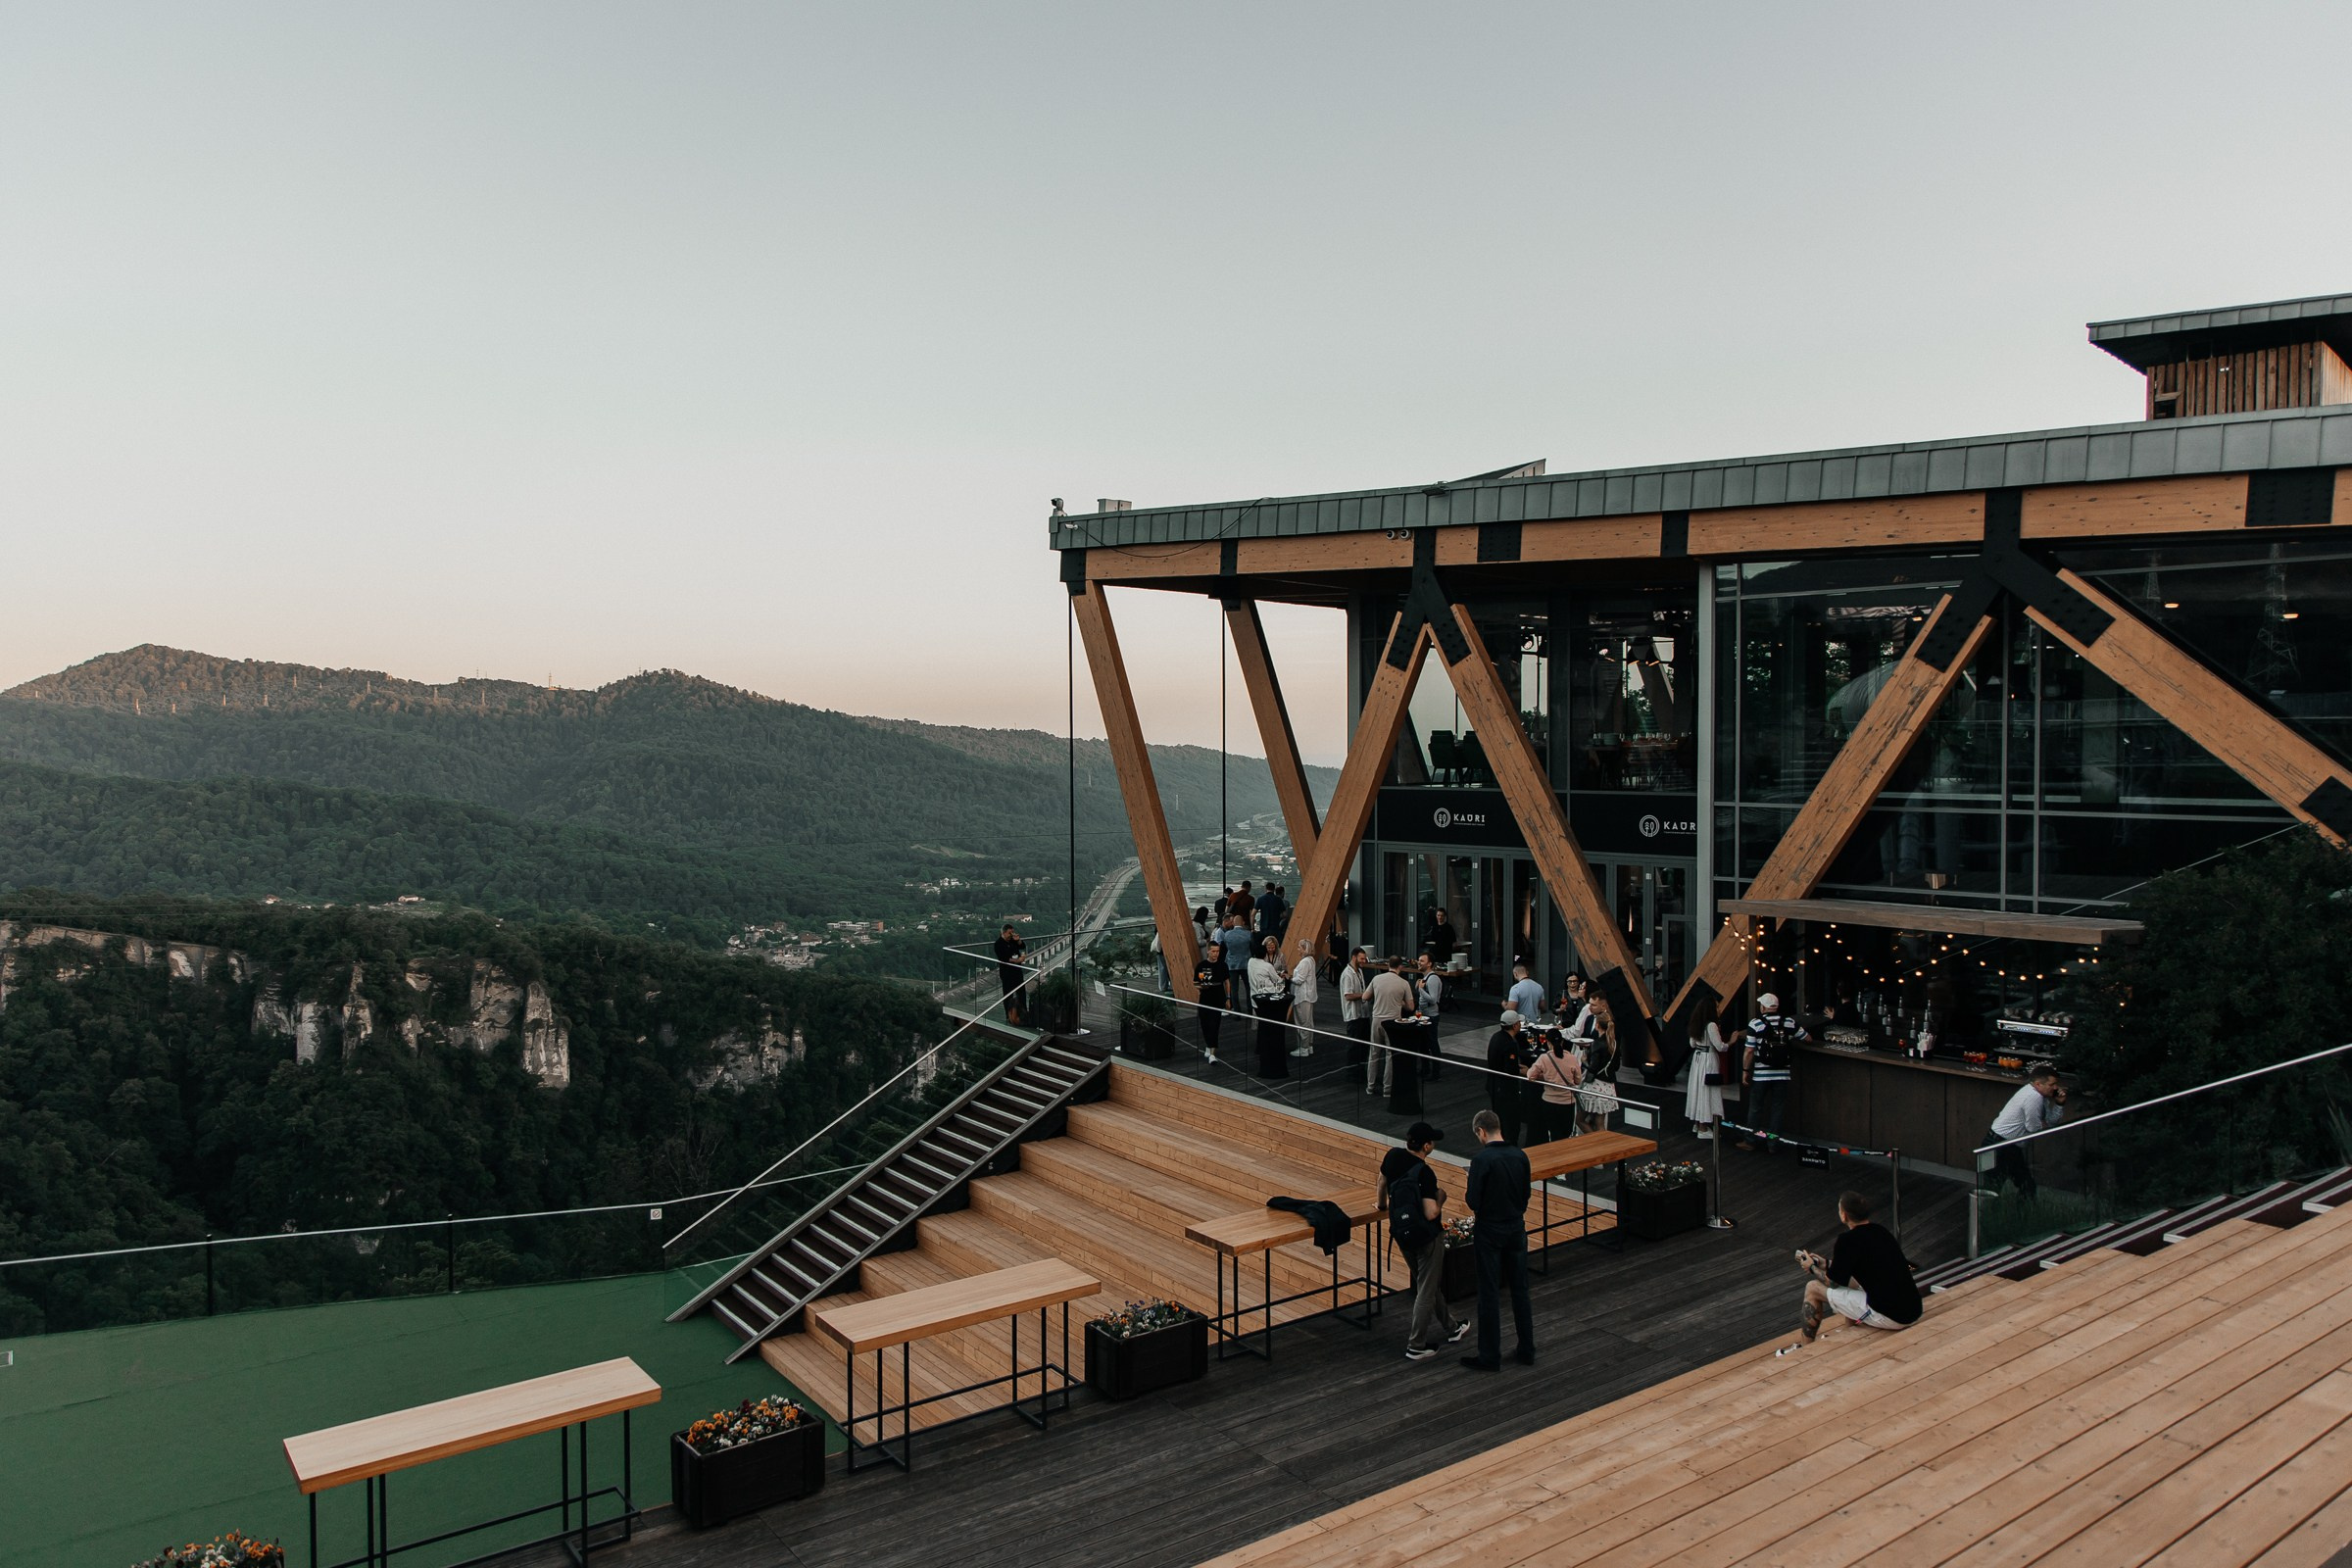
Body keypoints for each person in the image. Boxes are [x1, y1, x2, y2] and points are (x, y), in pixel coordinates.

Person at [1778, 1190, 1921, 1355]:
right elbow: (1854, 1268)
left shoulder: (1846, 1241)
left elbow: (1832, 1282)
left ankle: (1804, 1350)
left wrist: (1812, 1268)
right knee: (1853, 1281)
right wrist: (1825, 1264)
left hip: (1892, 1317)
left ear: (1844, 1216)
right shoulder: (1881, 1231)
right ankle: (1849, 1332)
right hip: (1913, 1310)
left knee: (1813, 1288)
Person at [1382, 1121, 1468, 1361]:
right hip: (1427, 1237)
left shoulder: (1393, 1156)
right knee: (1426, 1290)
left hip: (1401, 1233)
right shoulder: (1424, 1172)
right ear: (1426, 1146)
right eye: (1433, 1142)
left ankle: (1452, 1328)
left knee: (1427, 1284)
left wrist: (1381, 1206)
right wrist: (1441, 1197)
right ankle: (1416, 1344)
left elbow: (1381, 1182)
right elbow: (1431, 1212)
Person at [1460, 1109, 1535, 1371]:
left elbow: (1473, 1201)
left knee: (1489, 1293)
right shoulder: (1520, 1156)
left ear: (1481, 1132)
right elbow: (1525, 1194)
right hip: (1516, 1227)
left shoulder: (1482, 1161)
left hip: (1490, 1231)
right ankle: (1527, 1349)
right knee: (1520, 1291)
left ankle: (1490, 1356)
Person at [1740, 992, 1809, 1152]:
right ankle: (1772, 1143)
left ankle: (1750, 1140)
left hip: (1761, 1074)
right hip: (1782, 1074)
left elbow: (1749, 1050)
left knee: (1756, 1107)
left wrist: (1745, 1070)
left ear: (1763, 1007)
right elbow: (1807, 1038)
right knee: (1777, 1109)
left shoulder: (1755, 1024)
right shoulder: (1789, 1022)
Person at [1985, 1063, 2067, 1199]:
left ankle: (2018, 1215)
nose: (2056, 1088)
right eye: (2052, 1084)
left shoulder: (2041, 1096)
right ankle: (1987, 1216)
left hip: (2009, 1145)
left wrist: (2059, 1104)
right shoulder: (2033, 1097)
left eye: (2056, 1084)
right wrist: (2044, 1125)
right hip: (1999, 1145)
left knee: (2025, 1186)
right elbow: (2033, 1128)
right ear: (2038, 1084)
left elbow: (2051, 1122)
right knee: (1993, 1189)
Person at [1367, 956, 1416, 1096]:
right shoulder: (1404, 983)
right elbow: (1411, 1007)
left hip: (1377, 1019)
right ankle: (1387, 1089)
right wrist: (1400, 1003)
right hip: (1393, 1022)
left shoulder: (1376, 979)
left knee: (1374, 1054)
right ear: (1400, 967)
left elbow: (1365, 997)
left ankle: (1370, 1086)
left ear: (1388, 965)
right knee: (1390, 1055)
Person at [1525, 1027, 1582, 1144]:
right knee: (1565, 1135)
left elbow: (1530, 1075)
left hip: (1549, 1102)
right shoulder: (1572, 1058)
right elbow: (1577, 1080)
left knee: (1553, 1135)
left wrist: (1545, 1076)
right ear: (1562, 1042)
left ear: (1548, 1042)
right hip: (1567, 1103)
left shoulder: (1544, 1058)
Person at [1486, 1011, 1534, 1147]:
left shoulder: (1496, 1037)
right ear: (1515, 1025)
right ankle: (1509, 1145)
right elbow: (1510, 1070)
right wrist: (1524, 1071)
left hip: (1494, 1084)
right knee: (1510, 1121)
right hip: (1505, 1089)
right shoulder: (1509, 1043)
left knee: (1499, 1118)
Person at [1683, 1009, 1731, 1140]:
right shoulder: (1711, 1025)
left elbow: (1692, 1044)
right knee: (1708, 1090)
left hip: (1697, 1059)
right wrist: (1731, 1041)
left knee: (1698, 1090)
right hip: (1709, 1060)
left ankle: (1698, 1123)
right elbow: (1720, 1046)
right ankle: (1703, 1127)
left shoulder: (1696, 1024)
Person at [1576, 1000, 1620, 1136]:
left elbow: (1593, 1068)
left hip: (1594, 1087)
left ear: (1597, 1025)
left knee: (1580, 1120)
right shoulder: (1614, 1043)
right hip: (1608, 1087)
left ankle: (1595, 1141)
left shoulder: (1597, 1044)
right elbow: (1616, 1066)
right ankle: (1603, 1146)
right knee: (1600, 1123)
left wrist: (1584, 1061)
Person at [1248, 936, 1291, 1077]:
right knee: (1270, 1024)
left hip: (1255, 998)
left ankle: (1260, 1046)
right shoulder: (1267, 966)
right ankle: (1270, 1048)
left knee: (1261, 1023)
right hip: (1269, 998)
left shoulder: (1250, 962)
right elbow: (1277, 980)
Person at [1340, 947, 1374, 1065]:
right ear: (1354, 957)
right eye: (1362, 959)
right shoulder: (1347, 974)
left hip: (1363, 1013)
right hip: (1354, 1015)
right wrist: (1364, 995)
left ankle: (1362, 1069)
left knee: (1364, 1044)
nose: (1364, 961)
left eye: (1365, 959)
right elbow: (1348, 996)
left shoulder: (1359, 971)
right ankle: (1353, 1072)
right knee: (1354, 1046)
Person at [1216, 912, 1254, 1014]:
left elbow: (1224, 949)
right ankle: (1250, 1009)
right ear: (1242, 923)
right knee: (1248, 987)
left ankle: (1236, 1011)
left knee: (1234, 988)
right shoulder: (1248, 934)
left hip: (1232, 964)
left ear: (1233, 923)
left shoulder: (1227, 934)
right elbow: (1252, 948)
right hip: (1246, 963)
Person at [1193, 947, 1226, 1062]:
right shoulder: (1201, 965)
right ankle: (1208, 1044)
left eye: (1217, 951)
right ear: (1208, 951)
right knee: (1205, 1024)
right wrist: (1201, 987)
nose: (1215, 954)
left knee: (1214, 1025)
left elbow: (1227, 981)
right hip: (1205, 998)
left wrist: (1228, 998)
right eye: (1213, 951)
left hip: (1218, 998)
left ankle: (1212, 1053)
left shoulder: (1222, 965)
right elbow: (1195, 982)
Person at [1288, 945, 1321, 1058]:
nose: (1298, 949)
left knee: (1302, 1022)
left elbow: (1300, 979)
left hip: (1302, 996)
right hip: (1308, 995)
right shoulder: (1310, 960)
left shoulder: (1305, 962)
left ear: (1304, 949)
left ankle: (1303, 1047)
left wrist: (1289, 978)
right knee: (1308, 1022)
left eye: (1299, 947)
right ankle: (1308, 1046)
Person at [993, 922, 1027, 1026]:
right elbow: (1004, 959)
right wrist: (1018, 960)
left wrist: (1018, 940)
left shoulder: (1013, 940)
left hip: (1017, 971)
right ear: (1003, 933)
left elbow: (1022, 946)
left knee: (1021, 993)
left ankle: (1023, 1014)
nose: (1011, 935)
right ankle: (1009, 1016)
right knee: (1008, 995)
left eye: (1012, 932)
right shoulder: (998, 944)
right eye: (1009, 933)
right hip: (1007, 972)